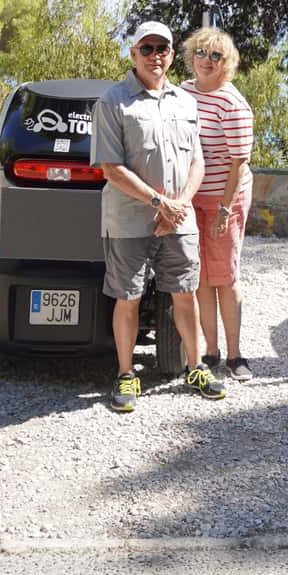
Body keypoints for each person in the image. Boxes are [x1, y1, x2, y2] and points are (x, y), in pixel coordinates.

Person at [91, 20, 226, 412]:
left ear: (170, 55)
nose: (155, 56)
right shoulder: (113, 101)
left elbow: (198, 162)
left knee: (185, 295)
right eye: (147, 49)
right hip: (129, 221)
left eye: (162, 49)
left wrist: (178, 205)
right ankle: (126, 374)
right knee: (128, 298)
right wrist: (158, 203)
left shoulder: (186, 102)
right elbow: (111, 168)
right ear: (133, 53)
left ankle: (195, 367)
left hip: (178, 220)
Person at [178, 28, 255, 381]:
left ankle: (236, 355)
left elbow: (238, 164)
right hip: (191, 198)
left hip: (226, 197)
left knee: (225, 276)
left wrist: (224, 211)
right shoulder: (182, 93)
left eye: (215, 56)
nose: (206, 61)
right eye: (201, 52)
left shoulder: (232, 104)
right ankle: (211, 352)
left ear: (227, 63)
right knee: (201, 279)